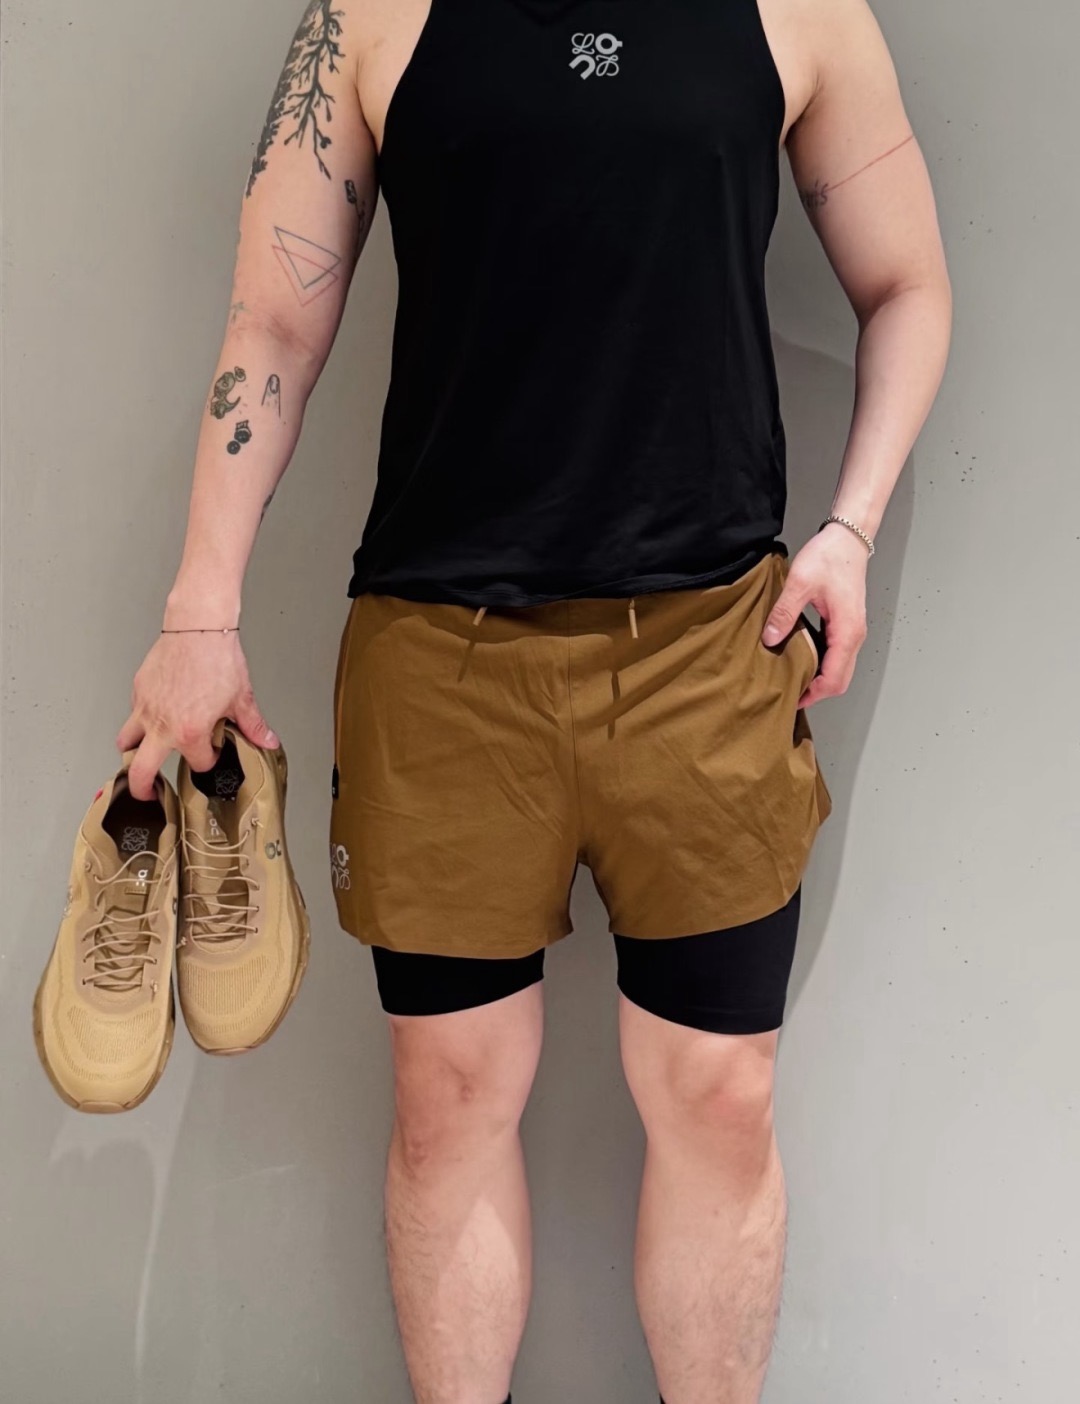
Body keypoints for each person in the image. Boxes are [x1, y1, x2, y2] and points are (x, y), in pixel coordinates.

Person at [119, 0, 951, 1399]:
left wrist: (851, 531)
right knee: (447, 1101)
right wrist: (198, 610)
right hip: (440, 659)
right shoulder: (370, 17)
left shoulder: (797, 9)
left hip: (710, 651)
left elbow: (909, 282)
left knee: (718, 1096)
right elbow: (273, 320)